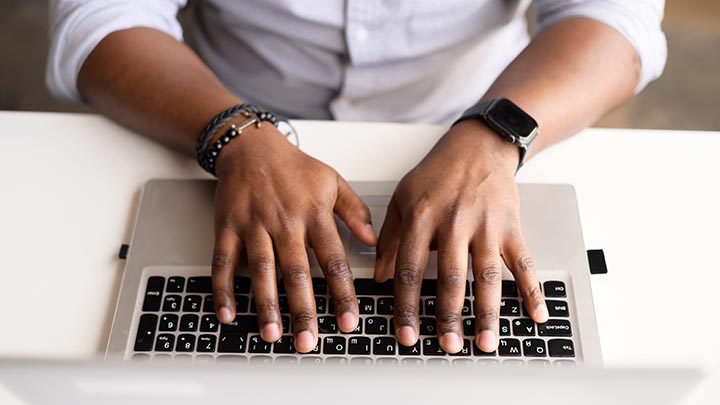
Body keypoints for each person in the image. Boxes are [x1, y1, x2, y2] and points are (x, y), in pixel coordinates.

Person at [47, 0, 666, 355]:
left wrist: (496, 133)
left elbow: (614, 20)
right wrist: (234, 135)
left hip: (484, 113)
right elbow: (99, 17)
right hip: (212, 108)